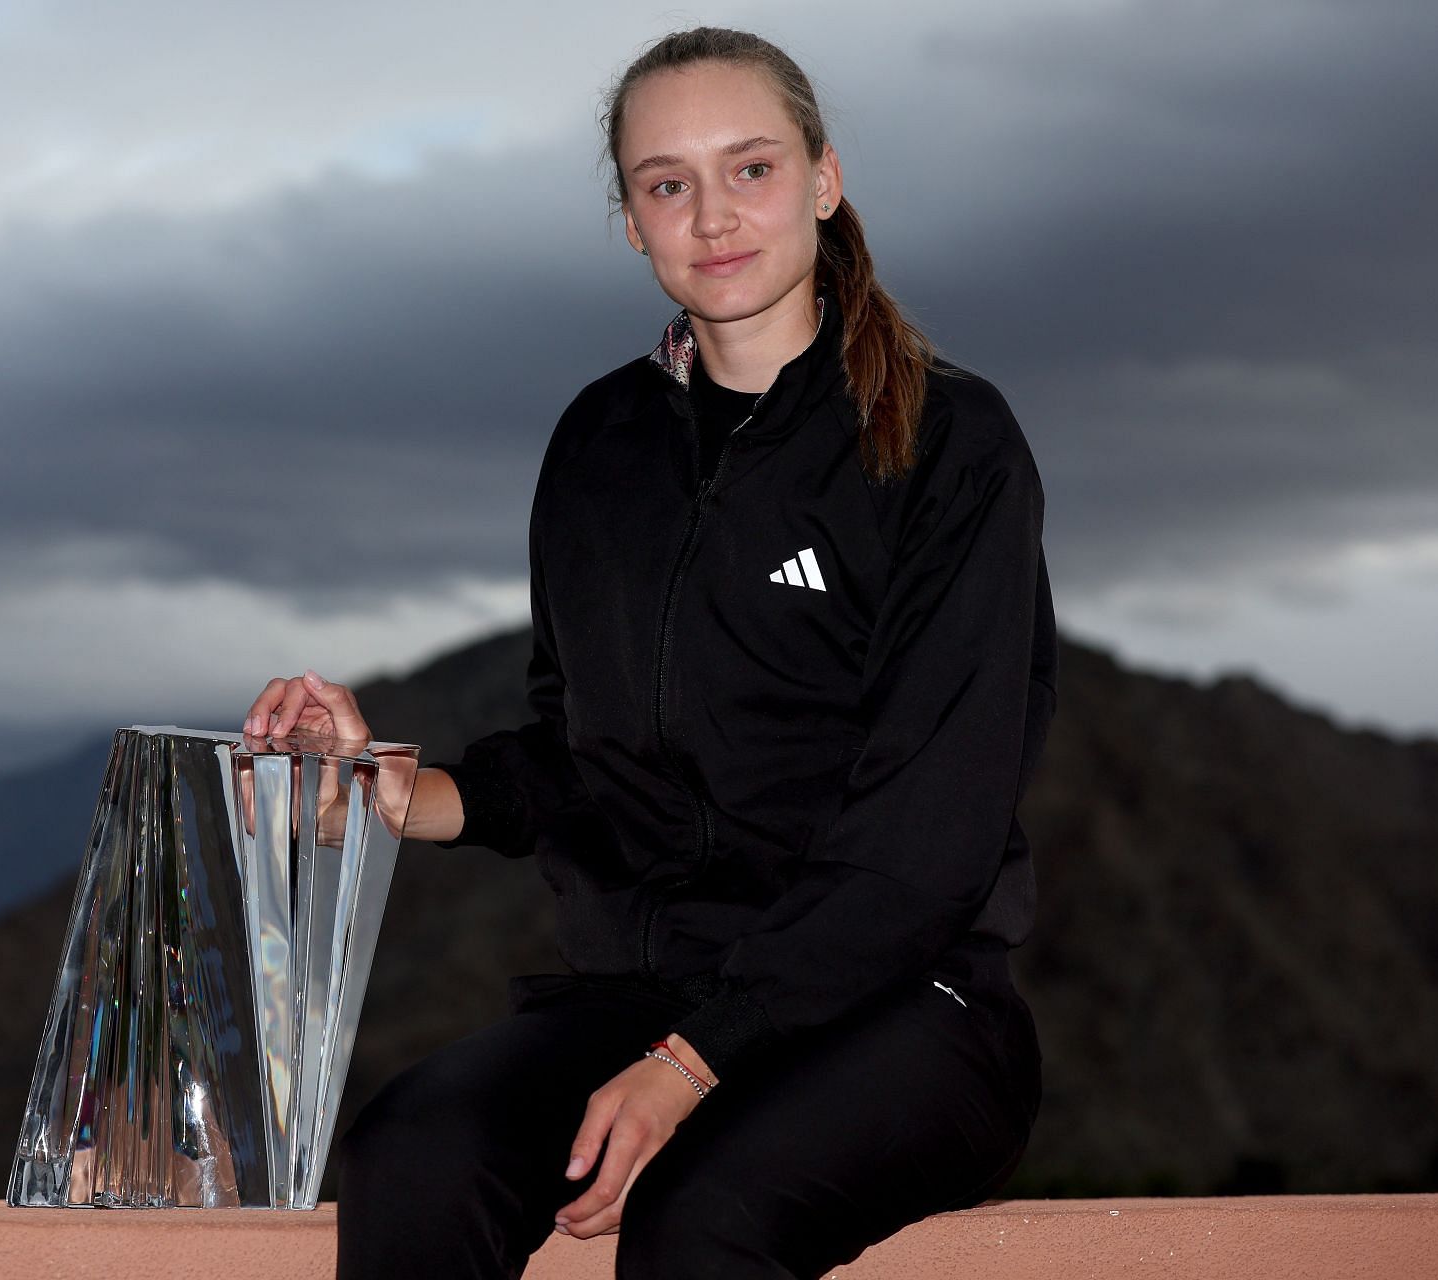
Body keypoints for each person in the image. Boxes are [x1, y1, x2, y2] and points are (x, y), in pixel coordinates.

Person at [243, 25, 1057, 1280]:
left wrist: (688, 1064)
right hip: (655, 994)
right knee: (410, 1148)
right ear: (630, 220)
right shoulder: (601, 445)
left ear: (824, 181)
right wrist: (396, 793)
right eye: (666, 182)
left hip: (906, 1006)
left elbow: (924, 844)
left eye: (751, 168)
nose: (712, 215)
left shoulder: (947, 441)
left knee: (700, 1222)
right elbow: (586, 756)